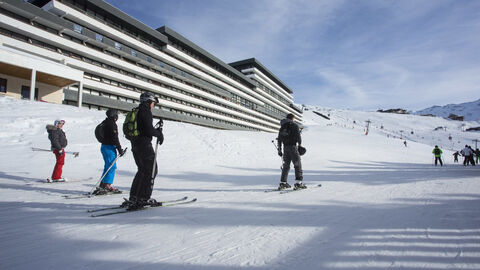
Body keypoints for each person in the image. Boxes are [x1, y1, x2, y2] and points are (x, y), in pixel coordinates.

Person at [125, 92, 164, 209]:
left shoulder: (136, 111)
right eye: (153, 103)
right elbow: (148, 129)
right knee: (151, 170)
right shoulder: (145, 111)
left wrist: (155, 131)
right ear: (149, 102)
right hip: (144, 145)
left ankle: (134, 196)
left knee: (142, 170)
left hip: (135, 144)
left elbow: (143, 128)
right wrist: (159, 134)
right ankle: (143, 197)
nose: (153, 106)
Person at [96, 109, 125, 194]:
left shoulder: (105, 122)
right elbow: (115, 138)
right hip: (109, 147)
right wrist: (119, 149)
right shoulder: (112, 124)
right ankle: (107, 185)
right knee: (111, 166)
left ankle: (103, 184)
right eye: (116, 114)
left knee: (108, 166)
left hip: (104, 146)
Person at [277, 113, 305, 190]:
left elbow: (279, 139)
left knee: (286, 166)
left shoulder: (282, 127)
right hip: (293, 147)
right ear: (292, 118)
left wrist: (279, 150)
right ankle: (298, 183)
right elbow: (298, 137)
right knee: (297, 164)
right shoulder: (294, 125)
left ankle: (283, 183)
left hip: (285, 148)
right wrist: (299, 145)